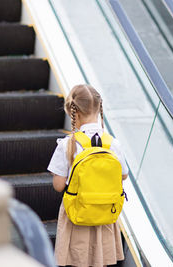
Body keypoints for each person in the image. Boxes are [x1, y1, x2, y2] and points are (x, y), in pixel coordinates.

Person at [47, 84, 129, 267]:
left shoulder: (68, 144)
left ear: (72, 111)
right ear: (100, 108)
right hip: (106, 215)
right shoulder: (113, 144)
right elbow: (123, 176)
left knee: (76, 259)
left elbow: (59, 185)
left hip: (77, 216)